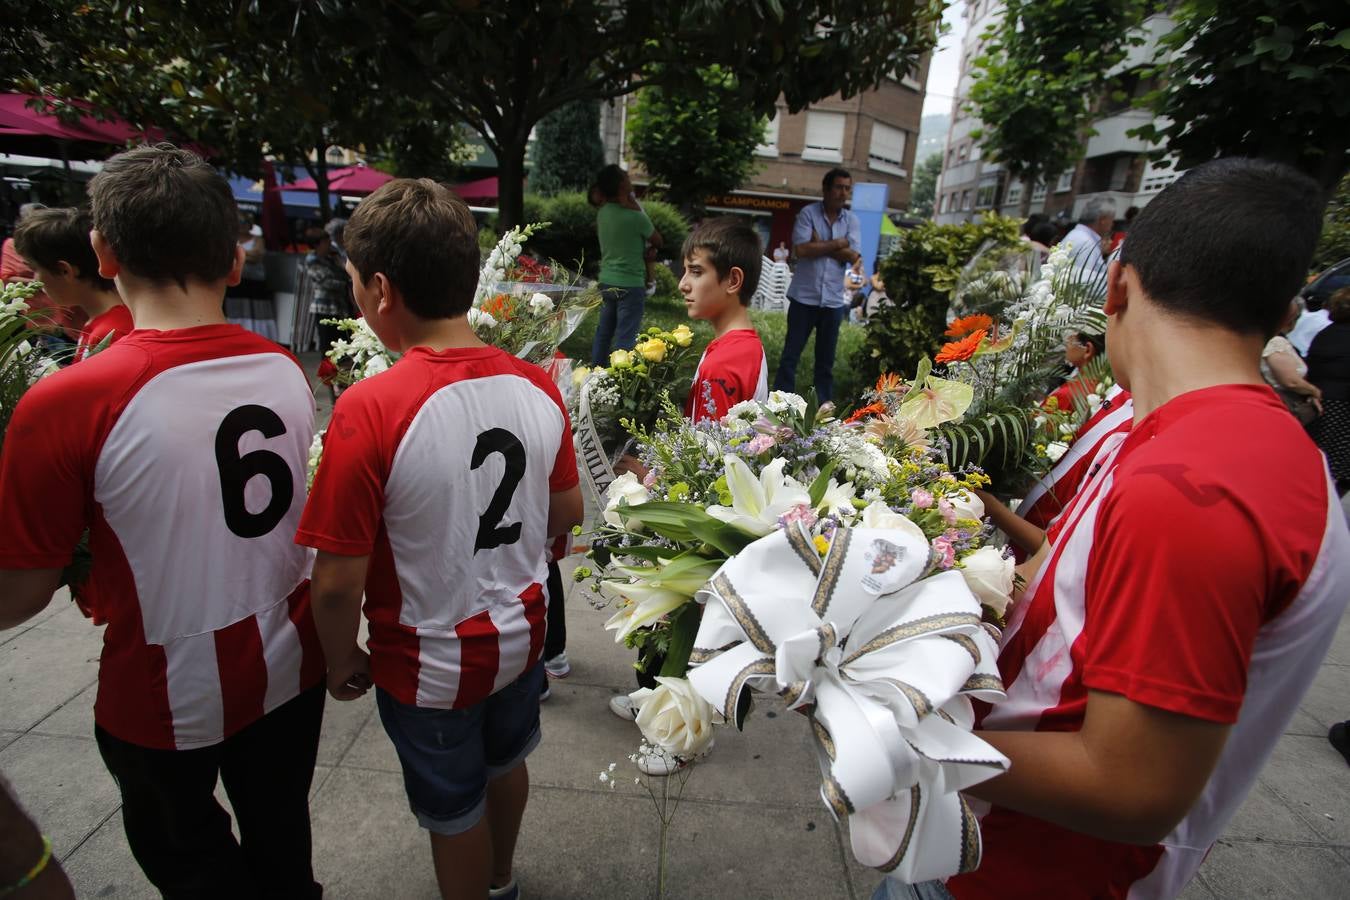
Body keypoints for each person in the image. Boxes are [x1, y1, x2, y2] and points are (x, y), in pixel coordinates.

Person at [876, 158, 1350, 900]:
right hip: (991, 842)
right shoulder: (1196, 440)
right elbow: (1068, 587)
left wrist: (889, 736)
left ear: (1117, 283)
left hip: (1026, 874)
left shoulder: (1195, 484)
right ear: (1283, 312)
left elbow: (1131, 786)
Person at [0, 144, 325, 898]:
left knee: (189, 862)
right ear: (234, 261)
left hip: (163, 688)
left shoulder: (71, 399)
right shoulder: (284, 368)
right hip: (290, 660)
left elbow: (19, 593)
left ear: (103, 252)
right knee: (283, 844)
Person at [296, 178, 583, 900]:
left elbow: (336, 581)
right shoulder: (537, 385)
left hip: (427, 659)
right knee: (507, 760)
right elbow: (567, 511)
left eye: (355, 283)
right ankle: (503, 880)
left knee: (453, 809)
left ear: (380, 290)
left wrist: (340, 657)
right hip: (522, 632)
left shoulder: (371, 407)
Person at [773, 168, 861, 402]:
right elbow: (801, 250)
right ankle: (780, 402)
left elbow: (854, 256)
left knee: (825, 361)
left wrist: (820, 244)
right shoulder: (807, 214)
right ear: (826, 189)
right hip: (804, 297)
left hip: (833, 300)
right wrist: (839, 243)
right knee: (790, 356)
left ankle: (823, 406)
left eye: (847, 188)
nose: (843, 193)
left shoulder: (852, 220)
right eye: (839, 187)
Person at [12, 206, 133, 361]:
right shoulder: (102, 324)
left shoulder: (110, 334)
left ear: (65, 271)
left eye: (35, 269)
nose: (35, 280)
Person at [680, 217, 768, 422]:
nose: (682, 284)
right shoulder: (746, 346)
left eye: (696, 272)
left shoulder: (722, 364)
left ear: (733, 280)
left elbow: (709, 443)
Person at [590, 165, 660, 365]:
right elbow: (658, 240)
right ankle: (620, 376)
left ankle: (596, 371)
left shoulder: (603, 213)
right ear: (622, 184)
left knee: (603, 333)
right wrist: (636, 207)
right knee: (625, 336)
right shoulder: (636, 217)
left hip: (606, 281)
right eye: (626, 177)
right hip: (631, 283)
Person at [2, 201, 85, 353]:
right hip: (37, 317)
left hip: (66, 315)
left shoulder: (55, 245)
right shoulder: (11, 245)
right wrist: (34, 282)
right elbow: (6, 277)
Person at [1307, 286, 1350, 496]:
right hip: (1342, 407)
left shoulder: (1325, 334)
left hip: (1322, 404)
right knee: (1339, 469)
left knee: (1324, 465)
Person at [1260, 298, 1323, 424]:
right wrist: (1315, 391)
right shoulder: (1276, 342)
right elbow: (1291, 382)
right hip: (1284, 404)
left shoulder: (1266, 339)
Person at [303, 227, 353, 354]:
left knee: (345, 344)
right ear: (317, 244)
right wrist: (346, 283)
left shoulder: (332, 258)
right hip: (324, 308)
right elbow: (325, 282)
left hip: (340, 306)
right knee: (328, 345)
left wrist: (340, 263)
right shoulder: (312, 260)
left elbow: (347, 273)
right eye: (326, 242)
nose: (329, 244)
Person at [1043, 331, 1104, 412]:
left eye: (1070, 342)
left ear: (1087, 349)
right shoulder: (1102, 387)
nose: (1066, 347)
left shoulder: (1066, 395)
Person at [1059, 199, 1114, 285]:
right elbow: (1084, 285)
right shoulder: (1087, 243)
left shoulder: (1077, 235)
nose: (1112, 224)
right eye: (1112, 220)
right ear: (1103, 220)